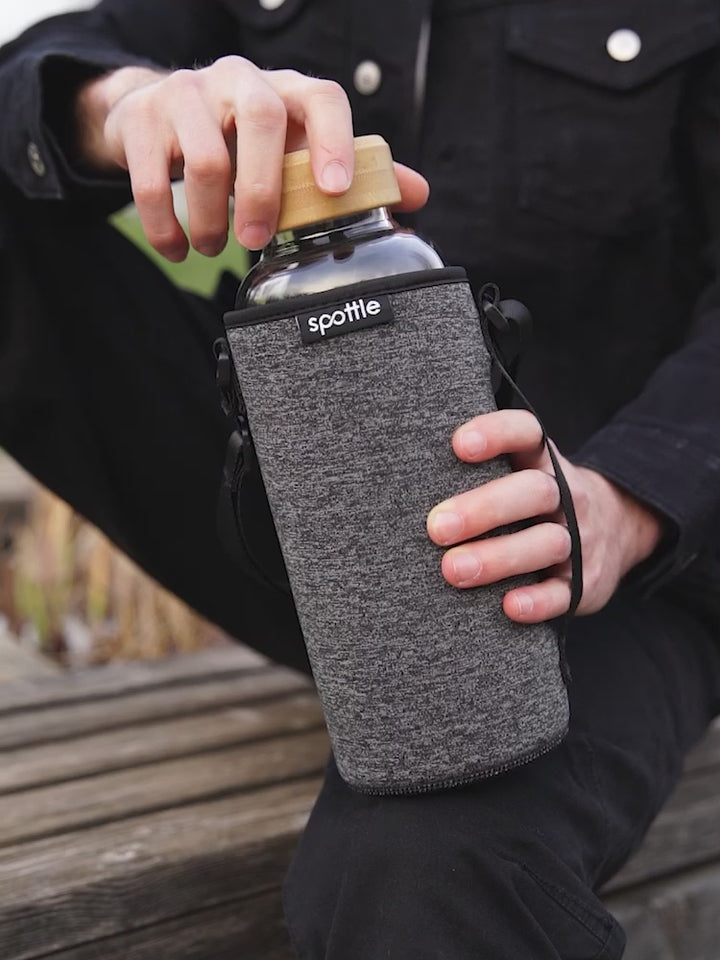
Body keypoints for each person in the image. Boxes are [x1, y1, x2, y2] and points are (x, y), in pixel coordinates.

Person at [1, 1, 719, 956]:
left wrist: (623, 500)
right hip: (295, 513)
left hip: (600, 569)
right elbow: (41, 70)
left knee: (426, 865)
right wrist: (126, 105)